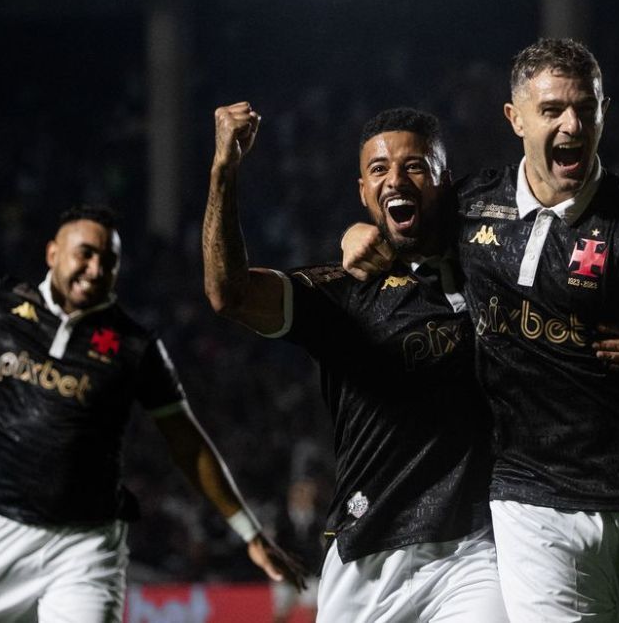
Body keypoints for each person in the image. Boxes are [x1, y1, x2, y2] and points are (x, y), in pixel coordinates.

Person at [342, 38, 619, 622]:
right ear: (515, 118)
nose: (572, 124)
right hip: (530, 500)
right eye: (552, 111)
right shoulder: (471, 207)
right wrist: (354, 234)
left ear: (603, 112)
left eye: (585, 108)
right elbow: (399, 223)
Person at [203, 103, 508, 622]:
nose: (396, 178)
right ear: (363, 192)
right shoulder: (342, 293)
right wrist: (224, 170)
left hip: (476, 550)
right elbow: (228, 295)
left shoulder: (496, 265)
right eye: (379, 170)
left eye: (414, 166)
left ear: (444, 181)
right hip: (365, 556)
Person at [0, 205, 307, 623]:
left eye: (109, 260)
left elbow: (188, 444)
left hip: (85, 547)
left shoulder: (134, 346)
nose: (96, 269)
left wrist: (250, 532)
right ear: (52, 253)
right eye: (86, 253)